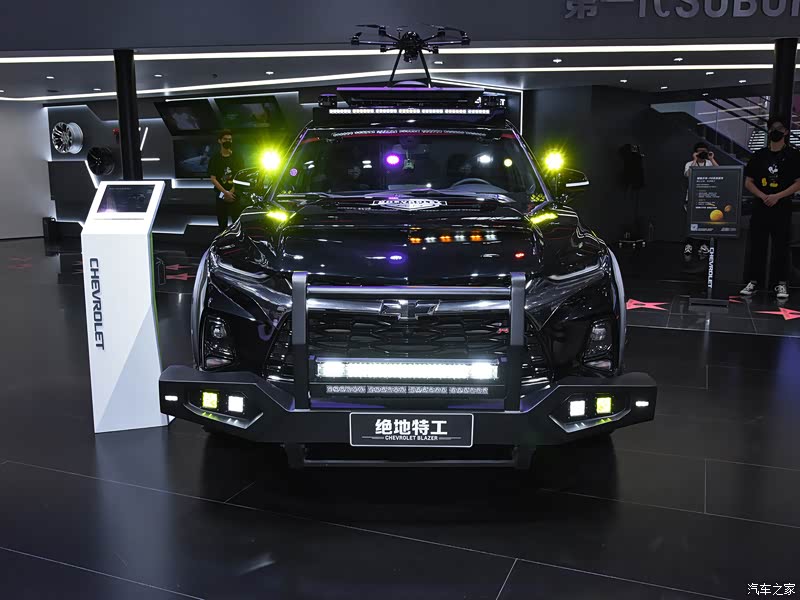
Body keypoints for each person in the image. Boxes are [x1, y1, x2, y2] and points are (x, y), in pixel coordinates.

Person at [740, 119, 800, 301]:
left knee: (781, 246)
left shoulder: (793, 155)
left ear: (786, 132)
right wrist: (763, 195)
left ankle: (781, 282)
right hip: (760, 207)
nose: (775, 131)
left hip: (782, 207)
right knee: (757, 245)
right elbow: (748, 182)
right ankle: (753, 281)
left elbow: (798, 182)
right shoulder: (759, 155)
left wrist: (777, 196)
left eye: (779, 129)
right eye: (772, 128)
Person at [683, 141, 719, 258]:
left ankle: (704, 244)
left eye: (704, 151)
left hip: (707, 198)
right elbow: (688, 174)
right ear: (695, 152)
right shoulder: (690, 164)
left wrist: (712, 159)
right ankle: (689, 244)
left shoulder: (709, 163)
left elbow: (720, 172)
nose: (702, 153)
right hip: (692, 197)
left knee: (705, 223)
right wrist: (695, 159)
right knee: (690, 222)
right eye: (700, 152)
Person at [208, 129, 244, 232]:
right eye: (225, 139)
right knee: (222, 223)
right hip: (220, 195)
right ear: (220, 141)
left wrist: (231, 192)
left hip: (235, 194)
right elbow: (213, 178)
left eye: (230, 139)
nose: (227, 141)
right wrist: (225, 193)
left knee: (237, 223)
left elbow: (241, 176)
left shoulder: (238, 157)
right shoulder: (215, 158)